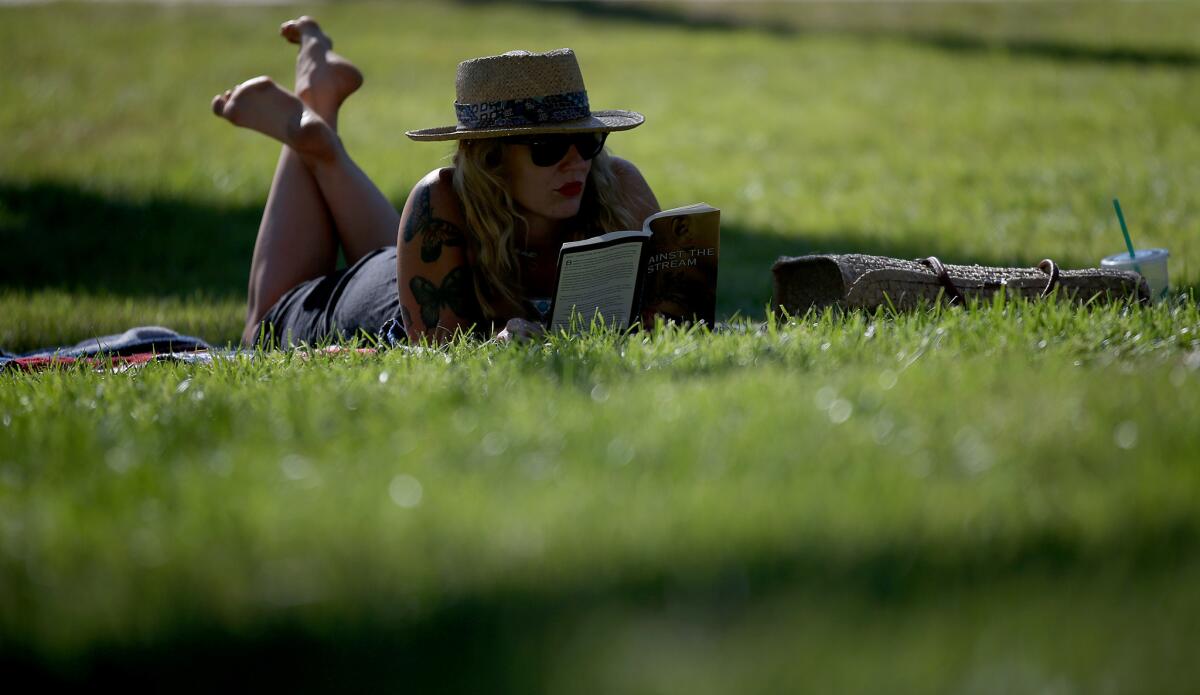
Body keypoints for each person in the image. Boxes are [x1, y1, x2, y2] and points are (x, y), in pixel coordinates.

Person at [211, 17, 660, 347]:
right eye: (547, 148)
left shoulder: (619, 187)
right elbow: (437, 357)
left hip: (406, 261)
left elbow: (678, 314)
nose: (576, 163)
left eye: (587, 142)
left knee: (388, 251)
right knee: (260, 328)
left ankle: (319, 109)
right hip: (376, 304)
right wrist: (497, 349)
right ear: (491, 159)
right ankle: (311, 129)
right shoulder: (440, 200)